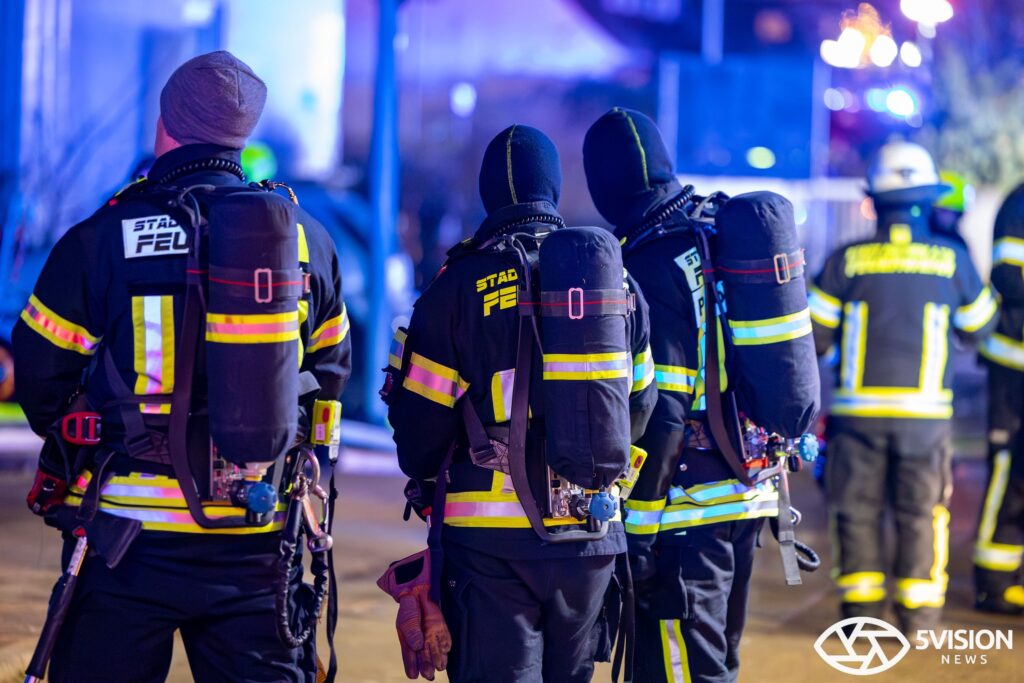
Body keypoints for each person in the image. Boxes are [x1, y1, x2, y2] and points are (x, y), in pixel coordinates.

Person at [15, 51, 351, 682]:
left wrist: (86, 433)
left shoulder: (104, 235)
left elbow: (39, 372)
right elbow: (329, 378)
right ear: (243, 132)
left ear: (164, 123)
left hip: (124, 538)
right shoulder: (307, 239)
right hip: (257, 532)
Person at [382, 124, 657, 682]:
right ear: (552, 190)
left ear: (489, 194)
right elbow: (641, 405)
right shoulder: (616, 282)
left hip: (491, 549)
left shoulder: (457, 286)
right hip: (591, 536)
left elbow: (419, 436)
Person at [583, 108, 820, 683]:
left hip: (685, 511)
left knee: (682, 670)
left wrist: (637, 530)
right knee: (716, 664)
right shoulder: (714, 231)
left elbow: (663, 410)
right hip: (746, 494)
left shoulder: (648, 261)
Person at [809, 141, 997, 633]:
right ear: (930, 198)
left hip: (857, 416)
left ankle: (861, 615)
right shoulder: (953, 259)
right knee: (922, 511)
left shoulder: (845, 261)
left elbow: (815, 336)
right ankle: (918, 615)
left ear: (873, 199)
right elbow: (980, 327)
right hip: (926, 419)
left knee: (856, 510)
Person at [974, 183, 1024, 614]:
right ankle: (995, 582)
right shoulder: (1020, 202)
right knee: (1009, 470)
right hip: (1014, 370)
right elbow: (1009, 275)